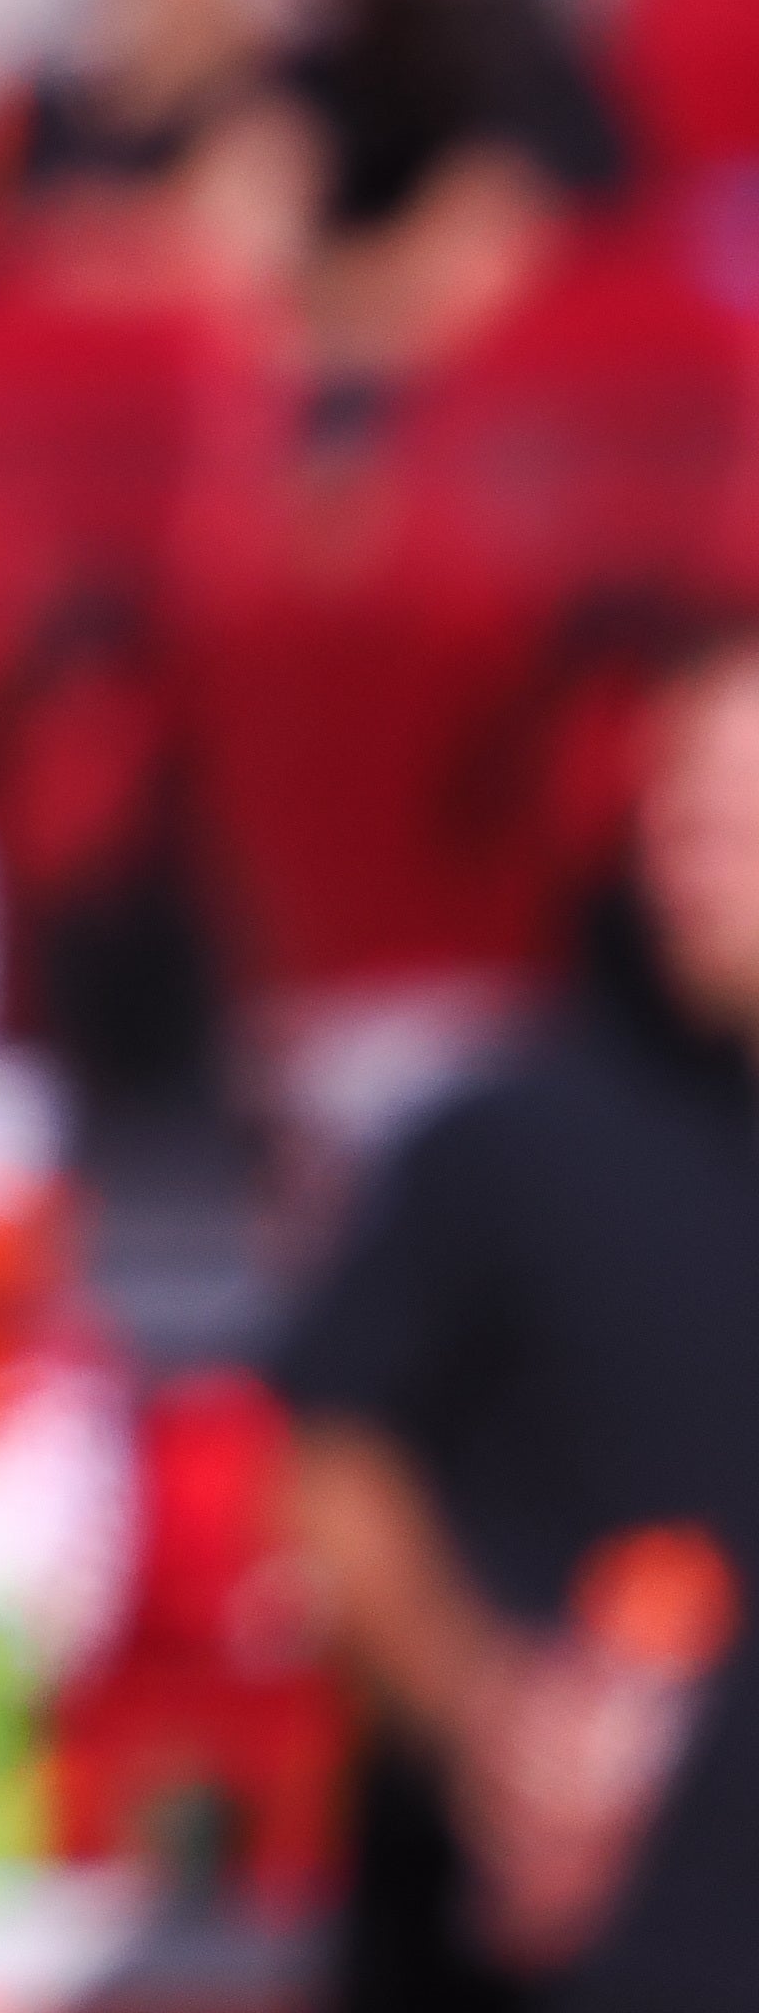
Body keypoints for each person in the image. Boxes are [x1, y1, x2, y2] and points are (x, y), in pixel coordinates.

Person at [282, 637, 759, 2008]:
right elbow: (327, 1464)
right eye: (676, 781)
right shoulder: (509, 1144)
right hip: (552, 1963)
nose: (693, 825)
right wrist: (478, 1701)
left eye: (739, 785)